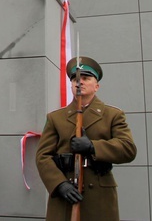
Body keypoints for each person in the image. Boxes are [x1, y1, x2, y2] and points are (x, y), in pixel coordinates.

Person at [35, 56, 137, 221]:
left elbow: (128, 149)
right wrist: (59, 184)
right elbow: (42, 157)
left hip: (99, 194)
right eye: (75, 79)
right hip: (66, 193)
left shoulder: (112, 115)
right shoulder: (56, 118)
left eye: (85, 78)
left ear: (97, 86)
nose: (79, 82)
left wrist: (93, 147)